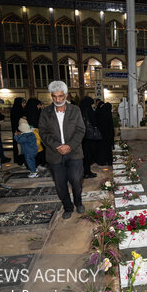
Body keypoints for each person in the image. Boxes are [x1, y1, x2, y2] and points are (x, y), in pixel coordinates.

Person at [39, 81, 86, 219]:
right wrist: (57, 146)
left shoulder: (75, 110)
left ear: (65, 95)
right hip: (55, 154)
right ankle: (68, 207)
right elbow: (43, 132)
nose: (58, 100)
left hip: (74, 152)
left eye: (60, 96)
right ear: (51, 96)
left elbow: (80, 130)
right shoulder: (45, 112)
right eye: (54, 96)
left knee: (76, 180)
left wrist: (69, 145)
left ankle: (78, 202)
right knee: (60, 184)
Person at [79, 96, 99, 179]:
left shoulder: (79, 110)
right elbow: (94, 121)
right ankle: (87, 172)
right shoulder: (88, 110)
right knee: (88, 155)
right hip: (89, 137)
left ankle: (84, 171)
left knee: (83, 155)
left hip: (81, 136)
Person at [95, 99, 115, 166]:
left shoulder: (100, 114)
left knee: (102, 149)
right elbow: (111, 127)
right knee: (108, 149)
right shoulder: (108, 115)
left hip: (101, 135)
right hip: (108, 136)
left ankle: (102, 161)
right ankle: (109, 161)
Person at [10, 97, 27, 165]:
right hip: (18, 131)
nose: (24, 104)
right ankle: (19, 160)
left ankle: (19, 159)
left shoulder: (17, 109)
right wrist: (16, 131)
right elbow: (15, 122)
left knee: (19, 147)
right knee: (19, 147)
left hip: (18, 130)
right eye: (23, 103)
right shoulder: (17, 111)